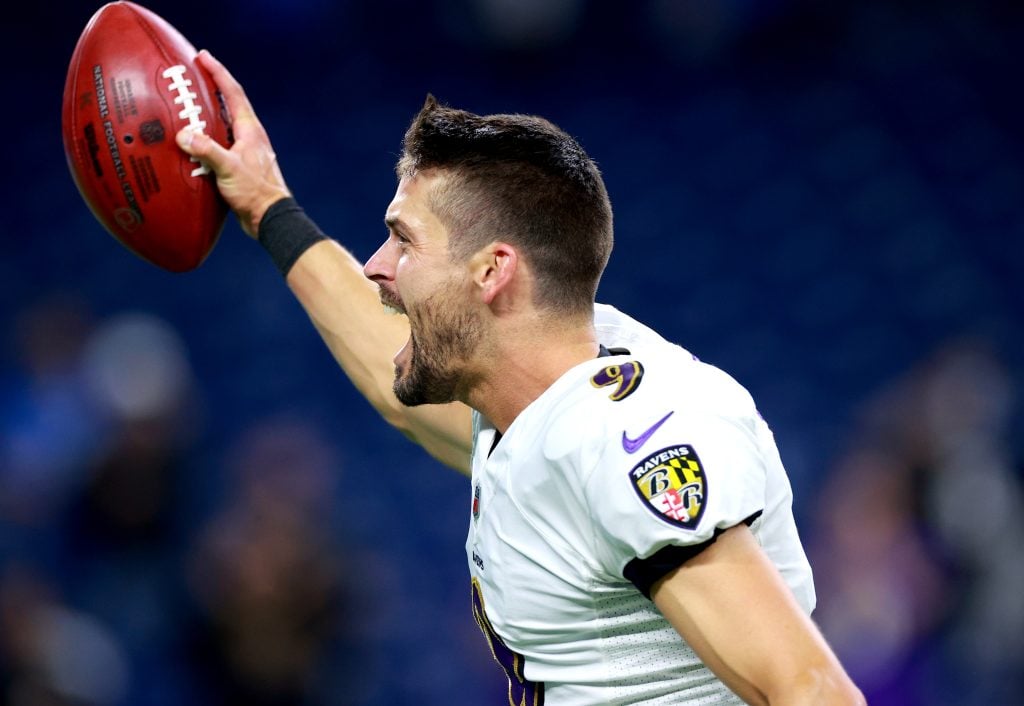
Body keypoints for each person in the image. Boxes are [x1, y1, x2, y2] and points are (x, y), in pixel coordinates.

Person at [175, 49, 865, 705]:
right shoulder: (540, 393)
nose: (375, 267)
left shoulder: (627, 438)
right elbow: (400, 390)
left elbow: (814, 691)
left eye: (404, 240)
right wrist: (268, 207)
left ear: (491, 271)